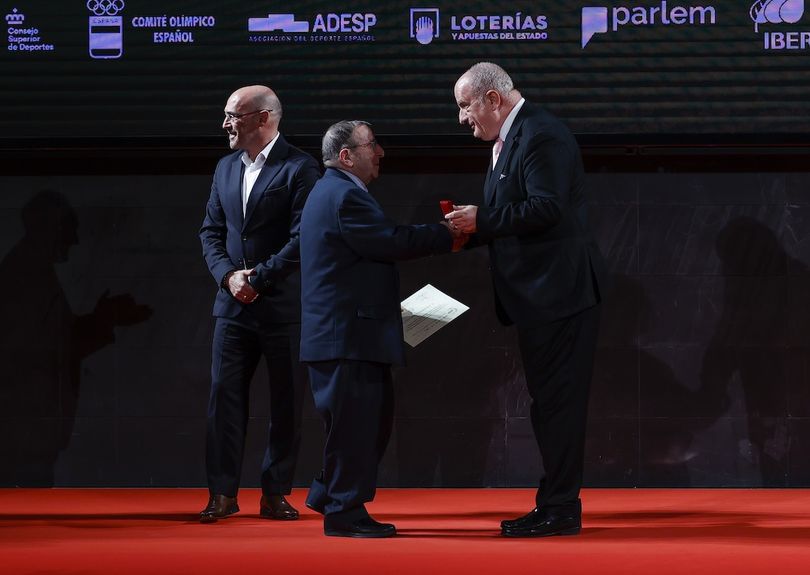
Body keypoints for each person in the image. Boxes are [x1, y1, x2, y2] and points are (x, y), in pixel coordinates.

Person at [446, 63, 607, 537]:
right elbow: (511, 215)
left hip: (560, 296)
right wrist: (468, 232)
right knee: (548, 405)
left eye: (465, 106)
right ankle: (554, 502)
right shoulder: (508, 140)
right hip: (539, 299)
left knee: (558, 406)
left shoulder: (541, 134)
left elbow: (546, 208)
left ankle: (561, 508)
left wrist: (482, 220)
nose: (461, 118)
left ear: (493, 99)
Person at [299, 120, 460, 538]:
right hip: (348, 337)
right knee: (356, 429)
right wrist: (448, 233)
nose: (381, 152)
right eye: (372, 145)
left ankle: (329, 496)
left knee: (357, 426)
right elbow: (390, 240)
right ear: (346, 156)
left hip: (346, 336)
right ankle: (343, 512)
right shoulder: (345, 195)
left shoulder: (331, 191)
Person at [198, 85, 320, 523]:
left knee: (286, 404)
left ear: (263, 118)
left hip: (282, 307)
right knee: (223, 401)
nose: (225, 124)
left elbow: (304, 237)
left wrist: (260, 279)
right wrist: (229, 277)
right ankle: (222, 494)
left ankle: (275, 493)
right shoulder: (225, 167)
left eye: (233, 116)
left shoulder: (300, 168)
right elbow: (210, 232)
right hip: (232, 306)